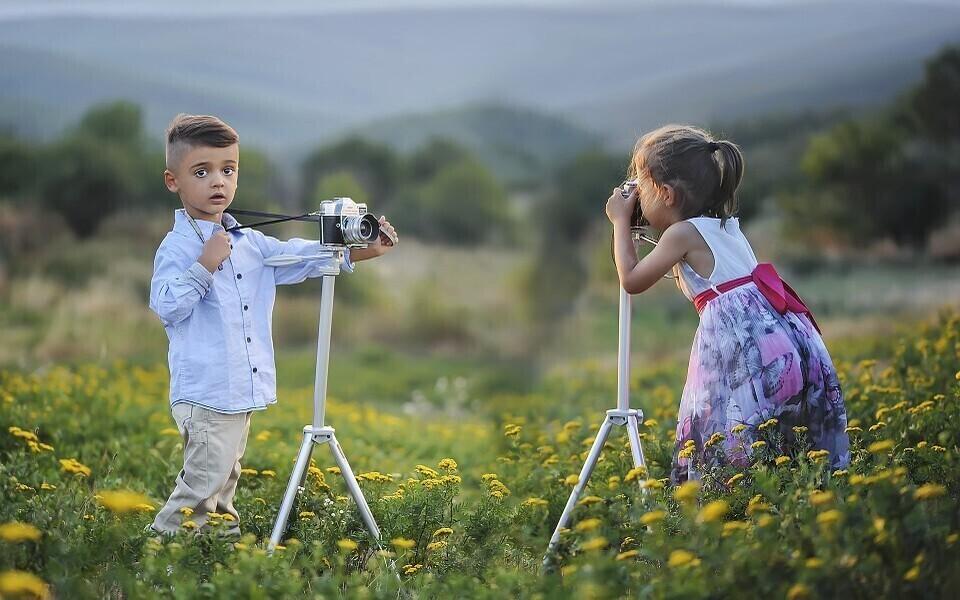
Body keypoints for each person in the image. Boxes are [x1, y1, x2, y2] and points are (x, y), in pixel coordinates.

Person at [148, 114, 398, 536]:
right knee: (201, 488)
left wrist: (359, 250)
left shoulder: (250, 242)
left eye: (228, 170)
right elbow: (167, 306)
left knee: (223, 485)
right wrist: (204, 265)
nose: (218, 182)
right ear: (173, 181)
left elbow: (298, 256)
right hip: (207, 393)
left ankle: (220, 553)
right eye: (202, 172)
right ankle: (156, 557)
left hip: (238, 391)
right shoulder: (178, 247)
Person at [605, 124, 849, 483]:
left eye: (642, 186)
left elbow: (631, 279)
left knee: (725, 432)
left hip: (744, 354)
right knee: (780, 440)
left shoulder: (681, 234)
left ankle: (732, 500)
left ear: (667, 194)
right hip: (786, 344)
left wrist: (619, 221)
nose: (637, 196)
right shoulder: (725, 226)